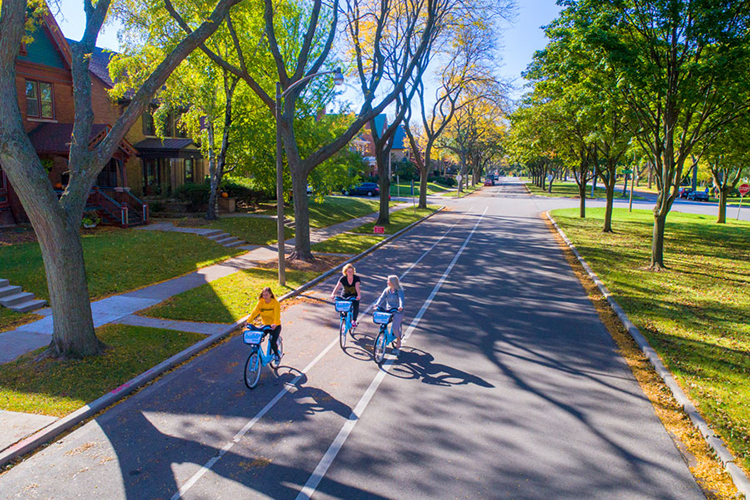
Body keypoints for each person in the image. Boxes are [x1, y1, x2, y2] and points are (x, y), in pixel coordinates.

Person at [248, 287, 282, 362]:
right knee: (257, 339)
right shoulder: (261, 302)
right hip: (265, 325)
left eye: (266, 295)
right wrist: (248, 321)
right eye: (263, 295)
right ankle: (256, 355)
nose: (265, 297)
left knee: (273, 342)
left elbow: (277, 315)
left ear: (270, 294)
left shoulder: (275, 303)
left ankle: (277, 355)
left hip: (275, 326)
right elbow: (255, 312)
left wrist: (275, 324)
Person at [375, 275, 405, 355]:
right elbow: (381, 298)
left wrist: (401, 306)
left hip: (397, 311)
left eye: (389, 281)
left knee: (395, 328)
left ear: (393, 282)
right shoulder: (387, 290)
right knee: (382, 324)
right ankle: (382, 338)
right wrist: (377, 304)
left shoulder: (399, 290)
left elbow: (401, 299)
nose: (387, 282)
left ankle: (398, 341)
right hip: (388, 310)